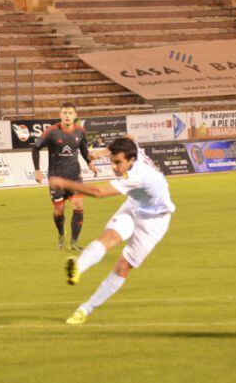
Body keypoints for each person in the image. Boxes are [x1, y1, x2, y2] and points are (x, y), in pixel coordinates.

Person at [48, 137, 174, 325]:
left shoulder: (137, 177)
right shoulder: (132, 149)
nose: (114, 167)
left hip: (154, 220)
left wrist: (64, 183)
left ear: (131, 160)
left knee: (123, 266)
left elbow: (98, 192)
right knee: (109, 237)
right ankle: (78, 268)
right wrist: (103, 152)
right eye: (112, 161)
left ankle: (85, 309)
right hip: (134, 204)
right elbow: (130, 138)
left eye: (118, 163)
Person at [32, 102, 97, 250]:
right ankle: (61, 235)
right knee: (59, 211)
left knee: (78, 205)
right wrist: (37, 170)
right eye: (65, 113)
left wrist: (89, 163)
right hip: (57, 178)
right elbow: (35, 149)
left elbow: (83, 149)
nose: (67, 116)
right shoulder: (51, 132)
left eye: (70, 113)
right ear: (60, 115)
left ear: (75, 115)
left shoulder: (80, 131)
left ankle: (74, 243)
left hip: (74, 177)